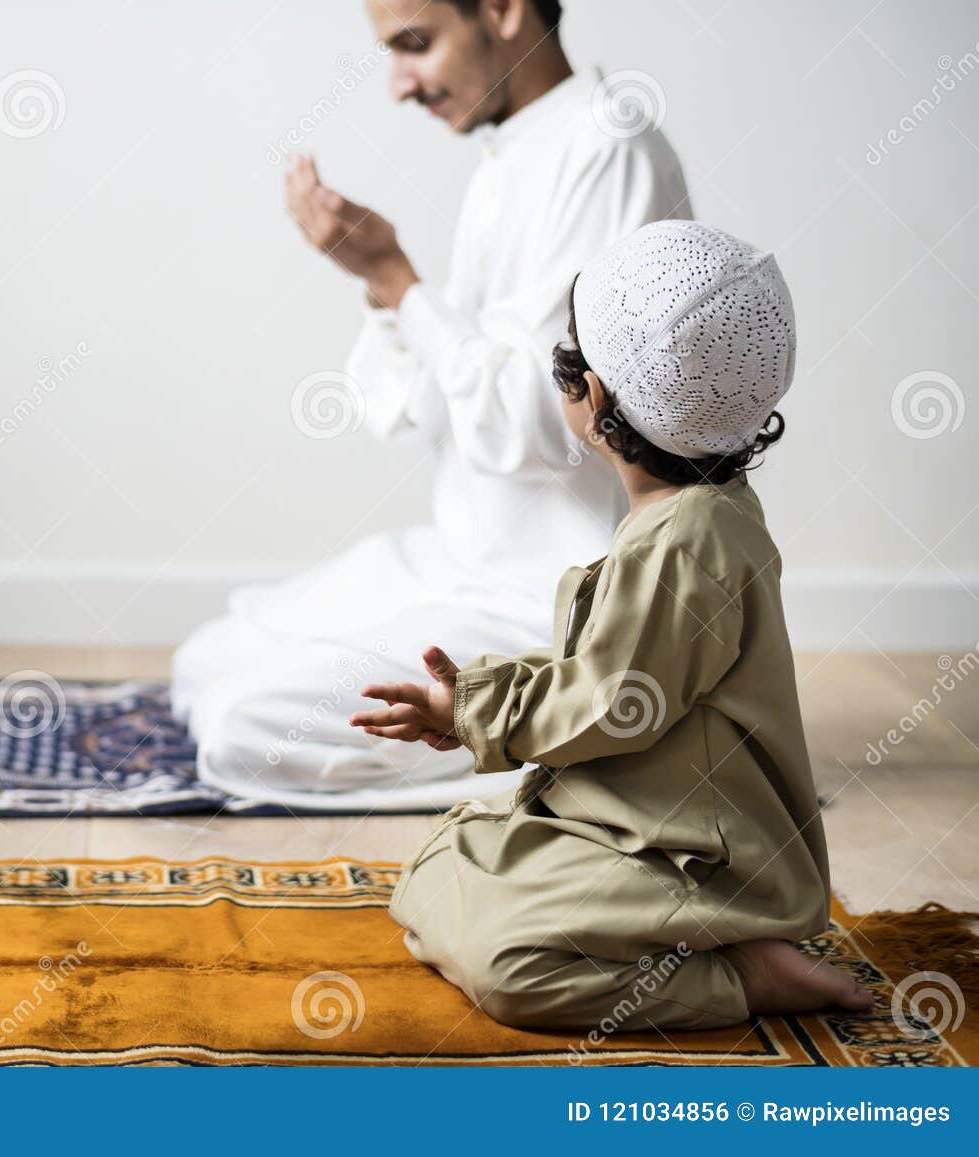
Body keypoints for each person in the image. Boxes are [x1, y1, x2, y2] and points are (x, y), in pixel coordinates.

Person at [171, 0, 691, 810]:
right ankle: (523, 731)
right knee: (207, 659)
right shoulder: (510, 153)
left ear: (503, 10)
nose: (399, 85)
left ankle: (584, 732)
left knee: (245, 724)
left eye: (415, 45)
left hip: (554, 596)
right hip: (463, 558)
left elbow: (547, 427)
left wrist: (397, 282)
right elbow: (428, 406)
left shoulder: (606, 148)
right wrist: (388, 295)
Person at [355, 220, 875, 1029]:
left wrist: (477, 714)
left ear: (591, 398)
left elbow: (609, 698)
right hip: (634, 821)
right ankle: (668, 936)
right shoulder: (692, 515)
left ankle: (740, 974)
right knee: (435, 870)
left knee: (508, 965)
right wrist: (479, 699)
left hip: (703, 857)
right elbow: (612, 667)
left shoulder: (686, 542)